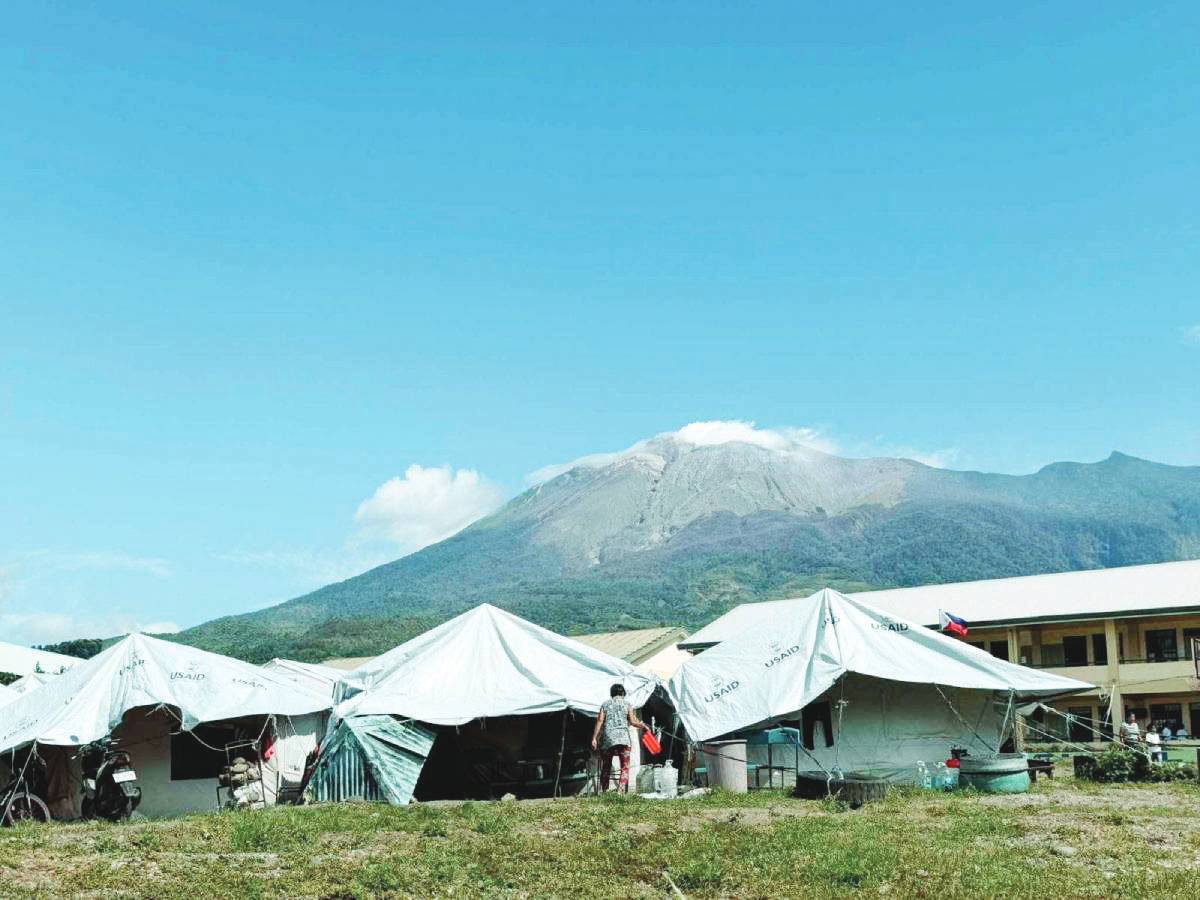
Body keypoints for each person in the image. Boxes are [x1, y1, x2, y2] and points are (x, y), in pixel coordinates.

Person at [591, 683, 647, 794]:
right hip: (624, 739)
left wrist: (594, 738)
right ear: (623, 693)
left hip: (608, 739)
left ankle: (605, 791)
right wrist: (643, 726)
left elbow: (600, 721)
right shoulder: (627, 704)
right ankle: (620, 790)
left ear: (612, 693)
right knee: (625, 766)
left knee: (606, 765)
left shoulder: (605, 704)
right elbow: (632, 721)